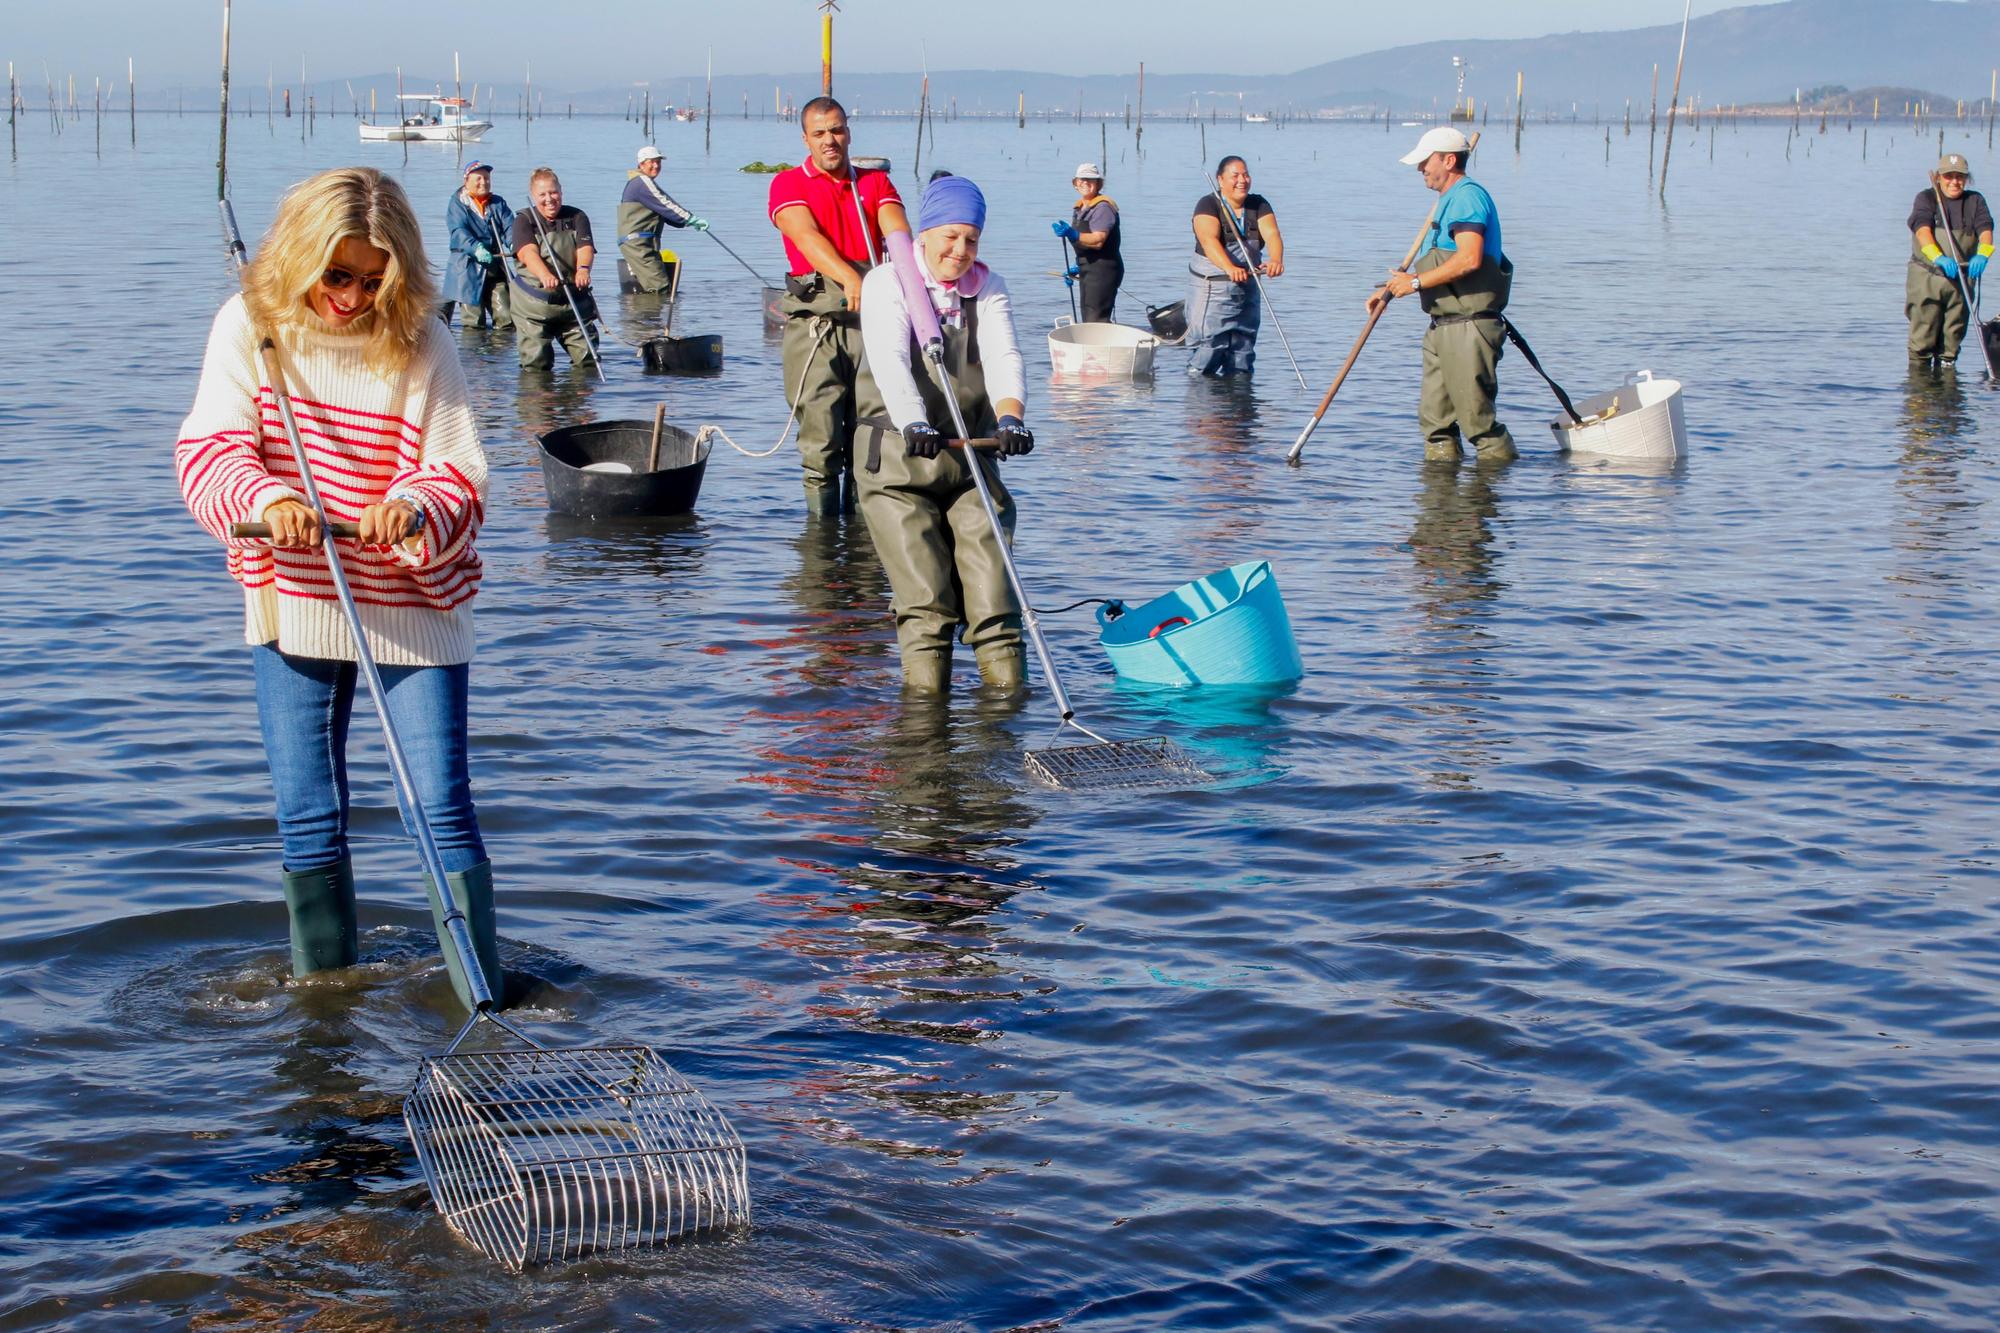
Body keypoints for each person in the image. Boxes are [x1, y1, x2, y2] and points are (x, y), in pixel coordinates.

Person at [173, 166, 498, 1010]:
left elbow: (459, 469)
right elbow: (209, 450)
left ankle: (481, 1000)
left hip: (411, 601)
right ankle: (324, 1010)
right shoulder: (250, 326)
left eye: (372, 278)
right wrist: (268, 499)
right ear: (302, 257)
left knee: (439, 805)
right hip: (298, 591)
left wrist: (413, 504)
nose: (352, 297)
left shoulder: (424, 337)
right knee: (309, 814)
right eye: (336, 275)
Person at [856, 174, 1034, 694]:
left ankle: (1004, 722)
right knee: (927, 602)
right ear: (926, 234)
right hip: (897, 464)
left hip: (970, 460)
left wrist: (1010, 419)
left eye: (971, 239)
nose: (960, 250)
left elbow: (1004, 356)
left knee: (995, 598)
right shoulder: (886, 282)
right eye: (950, 236)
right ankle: (925, 735)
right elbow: (890, 360)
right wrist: (915, 421)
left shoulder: (989, 287)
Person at [768, 95, 911, 515]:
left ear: (848, 132)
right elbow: (806, 236)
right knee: (821, 438)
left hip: (874, 325)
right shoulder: (787, 183)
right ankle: (823, 546)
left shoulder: (875, 183)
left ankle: (868, 540)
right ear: (806, 139)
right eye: (819, 133)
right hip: (818, 326)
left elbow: (898, 232)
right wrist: (851, 278)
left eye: (837, 130)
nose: (830, 140)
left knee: (875, 437)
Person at [1369, 127, 1517, 464]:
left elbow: (1469, 258)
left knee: (1478, 423)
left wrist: (1416, 284)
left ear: (1449, 160)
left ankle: (1490, 497)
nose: (1420, 168)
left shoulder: (1467, 196)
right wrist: (1390, 290)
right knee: (1436, 423)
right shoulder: (1446, 201)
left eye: (1425, 161)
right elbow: (1430, 268)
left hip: (1469, 326)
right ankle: (1438, 508)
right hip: (1441, 326)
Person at [1187, 155, 1284, 376]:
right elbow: (1208, 241)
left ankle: (1240, 401)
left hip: (1247, 288)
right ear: (1221, 180)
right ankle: (1202, 398)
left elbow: (1272, 234)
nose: (1242, 180)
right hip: (1213, 289)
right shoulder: (1208, 205)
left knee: (1243, 350)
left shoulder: (1259, 204)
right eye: (1235, 175)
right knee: (1211, 346)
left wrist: (1276, 260)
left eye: (1246, 174)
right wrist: (1230, 267)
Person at [1908, 153, 1994, 368]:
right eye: (1949, 176)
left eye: (1960, 177)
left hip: (1961, 281)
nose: (1955, 181)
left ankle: (1949, 392)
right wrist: (1939, 257)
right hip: (1928, 278)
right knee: (1923, 341)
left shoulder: (1975, 201)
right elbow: (1922, 231)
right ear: (1938, 177)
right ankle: (1920, 391)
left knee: (1952, 341)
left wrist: (1983, 253)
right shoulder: (1926, 198)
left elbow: (1985, 230)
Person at [508, 167, 599, 371]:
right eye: (542, 194)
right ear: (534, 196)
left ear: (561, 191)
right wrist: (544, 275)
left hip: (571, 301)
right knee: (537, 364)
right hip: (534, 304)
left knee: (588, 360)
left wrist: (583, 269)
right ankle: (539, 399)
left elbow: (585, 247)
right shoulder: (524, 220)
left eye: (553, 192)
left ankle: (580, 400)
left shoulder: (577, 217)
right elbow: (527, 253)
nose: (549, 199)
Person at [619, 145, 708, 295]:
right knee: (660, 287)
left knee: (651, 287)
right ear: (641, 163)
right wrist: (689, 218)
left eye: (658, 162)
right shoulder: (641, 182)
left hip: (642, 244)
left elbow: (664, 211)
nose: (656, 166)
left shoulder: (641, 182)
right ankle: (655, 318)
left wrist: (684, 222)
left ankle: (645, 317)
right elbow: (665, 204)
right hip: (638, 245)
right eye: (652, 162)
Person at [440, 161, 514, 330]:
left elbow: (510, 226)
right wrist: (476, 248)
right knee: (474, 321)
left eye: (487, 178)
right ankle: (472, 355)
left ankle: (501, 354)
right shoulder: (458, 203)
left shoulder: (497, 203)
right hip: (467, 269)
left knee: (507, 317)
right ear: (466, 180)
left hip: (494, 266)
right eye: (478, 178)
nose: (484, 182)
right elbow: (458, 232)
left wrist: (514, 243)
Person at [1053, 162, 1122, 323]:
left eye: (1091, 179)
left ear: (1099, 184)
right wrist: (1079, 266)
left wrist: (1072, 233)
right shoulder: (1080, 208)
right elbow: (1085, 246)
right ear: (1075, 183)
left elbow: (1098, 241)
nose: (1085, 182)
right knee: (1088, 316)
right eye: (1082, 179)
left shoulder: (1103, 208)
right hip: (1089, 269)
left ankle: (1103, 347)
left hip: (1104, 271)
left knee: (1096, 320)